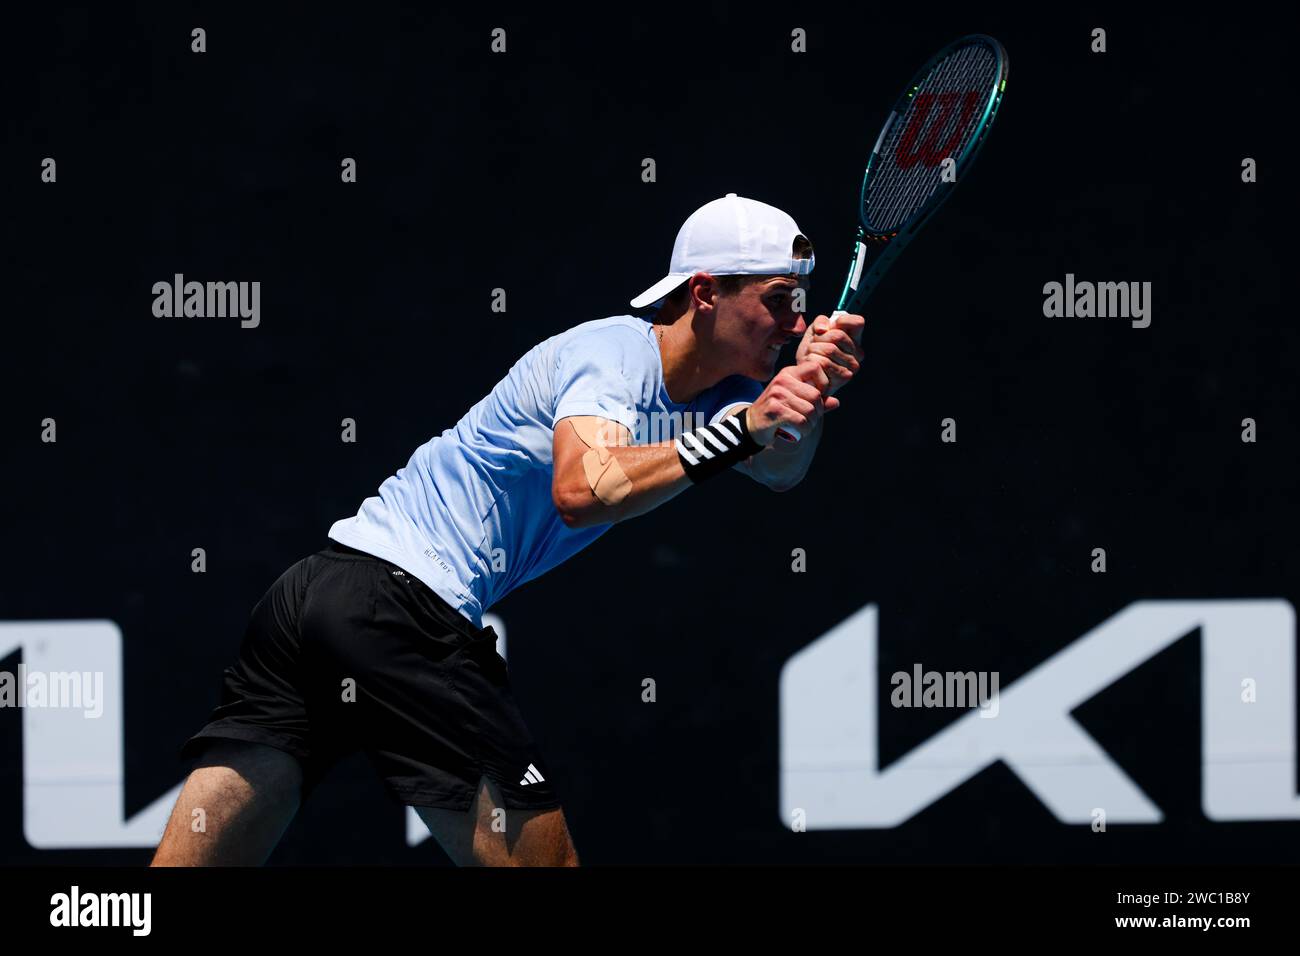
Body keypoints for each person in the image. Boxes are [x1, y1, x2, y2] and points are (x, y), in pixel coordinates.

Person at [150, 193, 865, 867]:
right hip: (402, 612)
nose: (796, 324)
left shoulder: (719, 392)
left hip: (317, 599)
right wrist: (745, 426)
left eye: (802, 306)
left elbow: (779, 469)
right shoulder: (613, 355)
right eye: (779, 302)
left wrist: (809, 393)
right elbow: (583, 490)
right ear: (705, 294)